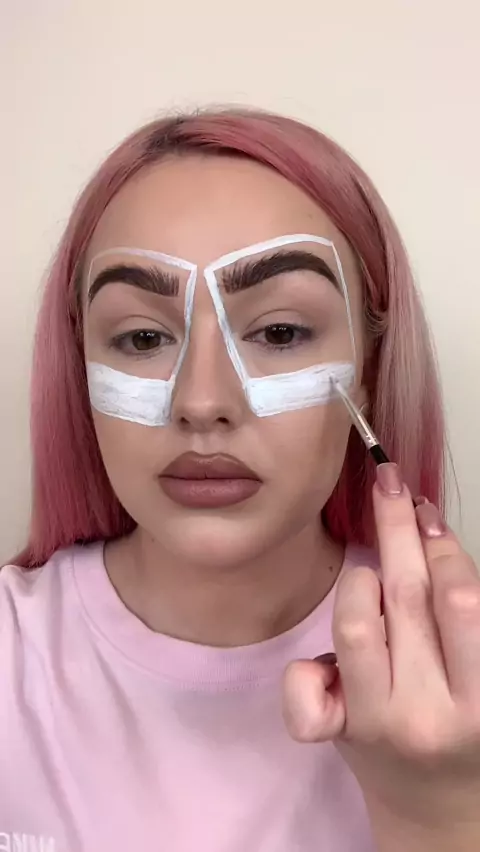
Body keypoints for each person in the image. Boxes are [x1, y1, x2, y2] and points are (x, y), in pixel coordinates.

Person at [1, 107, 479, 852]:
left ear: (370, 364)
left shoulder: (465, 681)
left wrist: (438, 815)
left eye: (280, 332)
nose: (201, 403)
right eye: (142, 337)